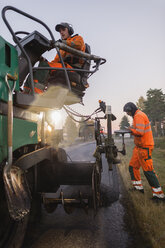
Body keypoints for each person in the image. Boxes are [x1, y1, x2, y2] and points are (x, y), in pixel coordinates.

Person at [24, 22, 87, 94]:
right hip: (63, 67)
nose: (61, 32)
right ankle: (25, 93)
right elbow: (55, 62)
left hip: (72, 69)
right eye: (60, 31)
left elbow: (78, 45)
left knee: (45, 66)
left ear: (69, 30)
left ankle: (37, 94)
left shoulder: (77, 38)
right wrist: (44, 61)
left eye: (63, 30)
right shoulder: (61, 48)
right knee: (35, 70)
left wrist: (62, 42)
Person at [123, 102, 165, 201]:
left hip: (145, 147)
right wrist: (132, 129)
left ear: (131, 109)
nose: (127, 114)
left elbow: (140, 132)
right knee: (133, 167)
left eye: (128, 112)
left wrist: (130, 130)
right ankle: (138, 188)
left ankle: (159, 195)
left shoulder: (139, 116)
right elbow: (139, 130)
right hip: (139, 147)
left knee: (148, 171)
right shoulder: (136, 116)